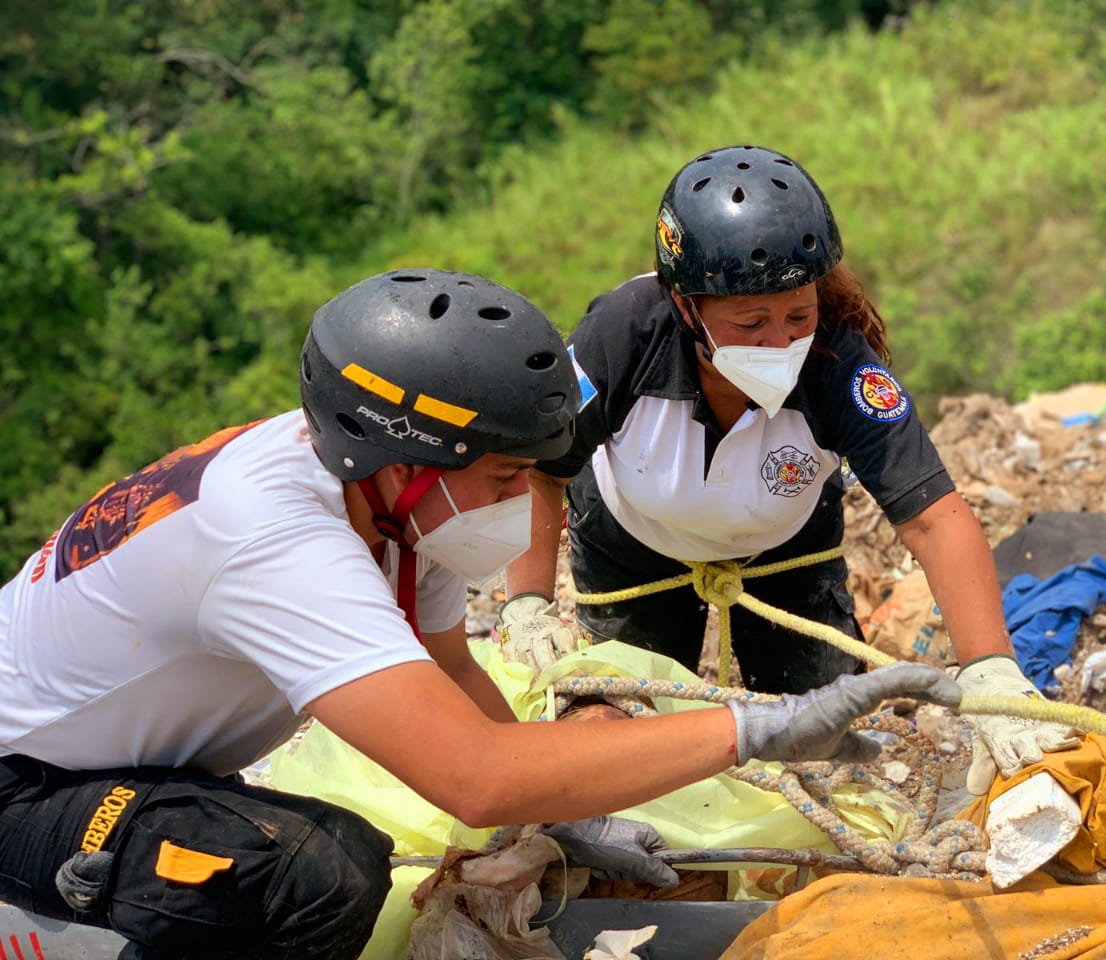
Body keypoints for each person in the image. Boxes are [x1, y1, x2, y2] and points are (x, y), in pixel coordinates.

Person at [0, 267, 963, 960]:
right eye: (503, 474)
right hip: (26, 785)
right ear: (412, 462)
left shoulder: (378, 498)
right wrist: (758, 729)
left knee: (306, 862)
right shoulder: (275, 541)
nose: (515, 500)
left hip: (120, 760)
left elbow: (452, 671)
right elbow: (476, 780)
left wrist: (569, 820)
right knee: (310, 874)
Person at [500, 144, 1078, 796]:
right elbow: (538, 474)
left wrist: (991, 669)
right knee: (632, 747)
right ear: (687, 307)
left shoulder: (837, 363)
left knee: (828, 752)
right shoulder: (621, 336)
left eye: (797, 315)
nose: (781, 343)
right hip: (633, 544)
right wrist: (525, 603)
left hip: (786, 548)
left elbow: (933, 518)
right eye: (751, 322)